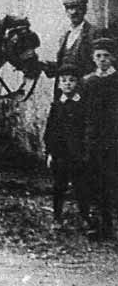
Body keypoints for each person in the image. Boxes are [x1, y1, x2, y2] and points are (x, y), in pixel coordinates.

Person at [43, 62, 90, 228]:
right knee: (59, 186)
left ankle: (85, 217)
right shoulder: (57, 105)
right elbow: (50, 131)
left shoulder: (83, 105)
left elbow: (87, 128)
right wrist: (49, 152)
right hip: (60, 154)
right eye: (64, 80)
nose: (68, 83)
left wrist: (86, 151)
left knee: (81, 187)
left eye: (72, 80)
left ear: (77, 83)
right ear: (59, 84)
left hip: (78, 154)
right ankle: (57, 217)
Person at [82, 37, 118, 241]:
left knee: (110, 180)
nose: (102, 60)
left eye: (106, 56)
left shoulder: (116, 80)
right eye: (98, 56)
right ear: (93, 58)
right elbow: (82, 112)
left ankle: (109, 222)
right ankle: (96, 223)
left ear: (113, 57)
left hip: (113, 138)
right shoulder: (88, 82)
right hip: (92, 139)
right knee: (93, 181)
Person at [46, 0, 99, 97]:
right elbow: (63, 65)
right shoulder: (65, 36)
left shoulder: (94, 32)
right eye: (70, 8)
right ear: (66, 12)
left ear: (84, 10)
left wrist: (88, 79)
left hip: (87, 90)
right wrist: (47, 65)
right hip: (66, 91)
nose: (74, 12)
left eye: (78, 8)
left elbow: (102, 63)